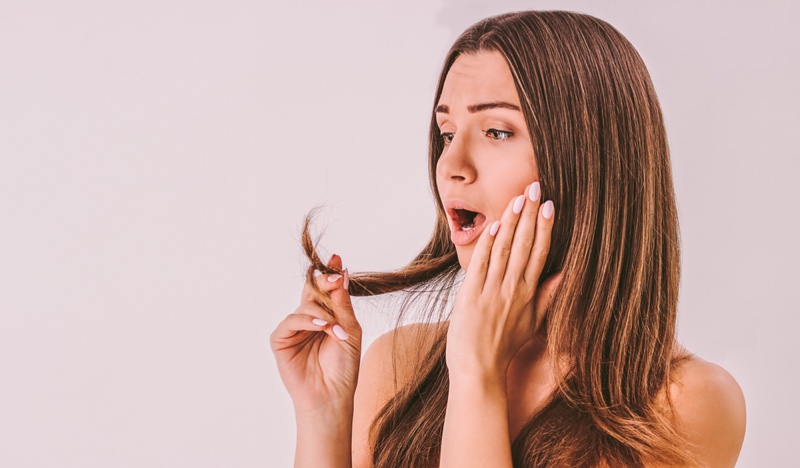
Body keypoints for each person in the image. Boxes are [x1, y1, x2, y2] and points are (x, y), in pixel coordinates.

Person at [270, 10, 746, 467]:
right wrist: (323, 415)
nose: (452, 166)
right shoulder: (400, 364)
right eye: (447, 132)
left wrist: (478, 374)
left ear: (589, 163)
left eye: (496, 131)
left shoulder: (686, 402)